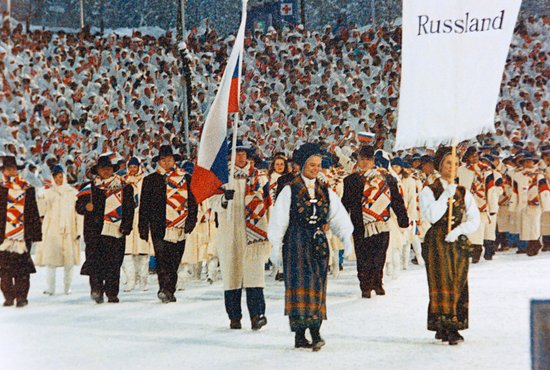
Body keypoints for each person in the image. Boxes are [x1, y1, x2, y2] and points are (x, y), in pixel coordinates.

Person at [268, 143, 353, 351]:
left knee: (317, 285)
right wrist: (275, 247)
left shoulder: (326, 190)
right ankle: (299, 334)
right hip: (296, 241)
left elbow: (338, 216)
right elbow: (279, 220)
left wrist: (346, 237)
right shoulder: (290, 189)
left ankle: (315, 331)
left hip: (317, 243)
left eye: (318, 165)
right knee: (298, 286)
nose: (315, 169)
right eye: (312, 165)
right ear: (302, 165)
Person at [419, 146, 480, 345]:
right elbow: (432, 216)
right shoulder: (429, 190)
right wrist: (446, 196)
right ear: (439, 165)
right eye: (448, 163)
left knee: (458, 282)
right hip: (437, 242)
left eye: (455, 163)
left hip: (456, 241)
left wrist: (458, 231)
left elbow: (474, 219)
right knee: (441, 282)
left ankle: (453, 323)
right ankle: (445, 326)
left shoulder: (463, 191)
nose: (452, 167)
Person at [210, 142, 270, 330]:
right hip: (230, 228)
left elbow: (268, 202)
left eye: (243, 153)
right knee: (231, 272)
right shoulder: (222, 175)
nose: (241, 157)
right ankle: (234, 316)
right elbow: (211, 202)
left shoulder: (259, 177)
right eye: (237, 153)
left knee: (254, 272)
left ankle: (257, 314)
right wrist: (223, 199)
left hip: (253, 230)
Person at [342, 146, 409, 298]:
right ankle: (365, 285)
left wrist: (402, 218)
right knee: (363, 255)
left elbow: (396, 200)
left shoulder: (386, 178)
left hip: (382, 222)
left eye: (368, 160)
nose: (365, 163)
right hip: (359, 224)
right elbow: (345, 203)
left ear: (373, 161)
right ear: (357, 161)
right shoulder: (350, 180)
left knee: (380, 254)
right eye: (362, 159)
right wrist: (341, 222)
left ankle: (377, 282)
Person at [139, 145, 198, 303]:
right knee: (162, 259)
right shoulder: (150, 180)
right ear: (159, 161)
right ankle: (164, 289)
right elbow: (144, 206)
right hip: (158, 226)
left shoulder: (186, 178)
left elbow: (193, 202)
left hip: (180, 224)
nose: (166, 162)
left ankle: (170, 288)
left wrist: (192, 220)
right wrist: (142, 227)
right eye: (163, 160)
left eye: (169, 159)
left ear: (174, 160)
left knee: (175, 259)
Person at [76, 154, 135, 304]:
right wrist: (85, 207)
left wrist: (126, 226)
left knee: (113, 265)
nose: (106, 171)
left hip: (116, 231)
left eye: (108, 168)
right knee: (95, 263)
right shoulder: (89, 188)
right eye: (103, 169)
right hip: (94, 233)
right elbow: (78, 207)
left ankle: (112, 293)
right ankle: (96, 290)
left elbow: (129, 208)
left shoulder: (124, 186)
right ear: (98, 171)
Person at [0, 156, 42, 307]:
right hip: (3, 236)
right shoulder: (0, 187)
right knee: (4, 269)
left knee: (22, 268)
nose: (11, 171)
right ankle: (9, 296)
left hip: (23, 234)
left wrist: (36, 232)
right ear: (3, 171)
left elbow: (33, 211)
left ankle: (22, 297)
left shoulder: (28, 188)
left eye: (13, 168)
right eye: (8, 168)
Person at [35, 165, 80, 295]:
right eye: (55, 177)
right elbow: (41, 211)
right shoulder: (48, 192)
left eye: (60, 176)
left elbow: (78, 213)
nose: (58, 179)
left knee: (69, 262)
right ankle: (51, 288)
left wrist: (78, 230)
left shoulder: (72, 192)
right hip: (52, 230)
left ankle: (67, 287)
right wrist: (41, 198)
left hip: (69, 229)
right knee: (51, 261)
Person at [122, 157, 150, 292]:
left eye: (135, 167)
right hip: (127, 219)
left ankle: (143, 280)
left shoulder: (145, 181)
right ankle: (130, 280)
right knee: (127, 253)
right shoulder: (123, 181)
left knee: (143, 252)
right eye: (130, 167)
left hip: (142, 218)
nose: (133, 169)